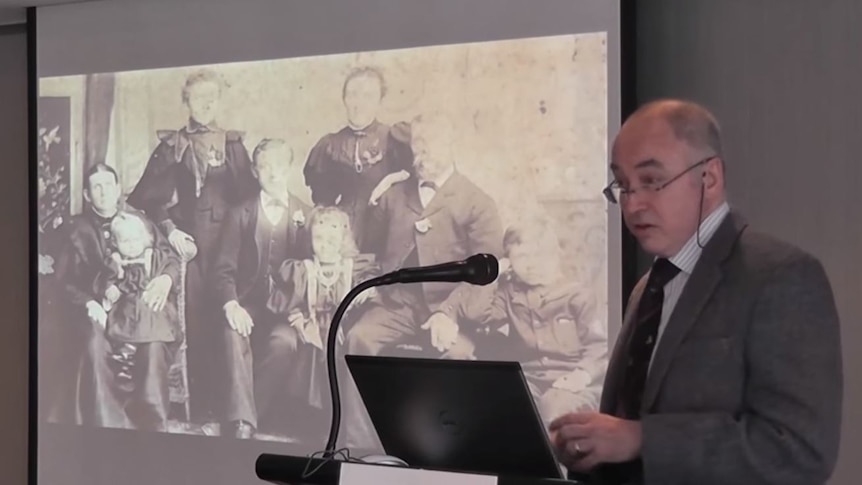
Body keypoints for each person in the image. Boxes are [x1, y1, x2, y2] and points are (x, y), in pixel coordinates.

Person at [550, 99, 843, 485]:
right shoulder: (648, 288)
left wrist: (641, 440)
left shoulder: (781, 277)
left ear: (710, 178)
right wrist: (588, 448)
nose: (633, 203)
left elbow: (800, 450)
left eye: (651, 181)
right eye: (622, 185)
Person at [342, 111, 504, 450]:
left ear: (452, 146)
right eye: (418, 144)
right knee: (359, 338)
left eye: (432, 144)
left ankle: (445, 451)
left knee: (458, 357)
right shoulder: (393, 194)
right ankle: (360, 446)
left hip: (452, 307)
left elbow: (488, 274)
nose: (423, 152)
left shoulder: (477, 202)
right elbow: (366, 249)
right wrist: (369, 288)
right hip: (398, 304)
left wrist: (449, 313)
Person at [53, 163, 179, 430]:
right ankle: (109, 424)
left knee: (154, 344)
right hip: (97, 307)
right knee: (92, 341)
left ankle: (152, 424)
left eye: (109, 185)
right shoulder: (76, 229)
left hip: (140, 307)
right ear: (87, 195)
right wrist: (89, 303)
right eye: (96, 187)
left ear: (118, 188)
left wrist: (165, 279)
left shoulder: (141, 221)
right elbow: (63, 282)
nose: (104, 192)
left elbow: (168, 257)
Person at [456, 217, 608, 427]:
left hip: (575, 380)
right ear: (509, 261)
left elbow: (600, 346)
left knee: (553, 410)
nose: (531, 264)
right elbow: (476, 314)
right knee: (497, 404)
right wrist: (495, 274)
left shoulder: (578, 294)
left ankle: (553, 460)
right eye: (521, 256)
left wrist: (582, 374)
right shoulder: (510, 292)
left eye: (540, 255)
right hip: (531, 379)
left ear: (556, 255)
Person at [211, 138, 312, 439]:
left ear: (289, 169)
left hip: (286, 310)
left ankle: (250, 415)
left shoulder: (305, 215)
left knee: (286, 344)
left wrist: (301, 312)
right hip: (248, 303)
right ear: (255, 172)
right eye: (265, 166)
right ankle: (243, 425)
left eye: (279, 165)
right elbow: (223, 269)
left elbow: (311, 270)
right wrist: (231, 304)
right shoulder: (240, 212)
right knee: (233, 332)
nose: (273, 173)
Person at [266, 206, 378, 440]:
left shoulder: (352, 268)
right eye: (319, 238)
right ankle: (300, 419)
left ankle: (334, 422)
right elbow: (289, 299)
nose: (325, 245)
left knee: (340, 352)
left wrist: (365, 291)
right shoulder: (302, 269)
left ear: (342, 241)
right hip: (308, 325)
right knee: (306, 350)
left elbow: (370, 286)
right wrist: (297, 317)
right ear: (310, 239)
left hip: (339, 329)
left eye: (331, 239)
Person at [303, 66, 413, 251]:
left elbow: (417, 176)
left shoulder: (394, 138)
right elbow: (323, 200)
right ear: (344, 99)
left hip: (385, 230)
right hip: (343, 232)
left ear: (380, 101)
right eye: (352, 95)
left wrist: (388, 180)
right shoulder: (330, 144)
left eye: (368, 96)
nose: (358, 104)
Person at [95, 211, 182, 430]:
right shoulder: (115, 261)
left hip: (153, 313)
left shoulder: (154, 255)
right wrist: (111, 288)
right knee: (125, 324)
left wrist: (165, 279)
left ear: (145, 238)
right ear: (116, 243)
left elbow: (173, 263)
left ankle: (155, 420)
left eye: (135, 240)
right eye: (125, 241)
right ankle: (126, 355)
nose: (132, 246)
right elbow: (107, 279)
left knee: (150, 320)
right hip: (126, 312)